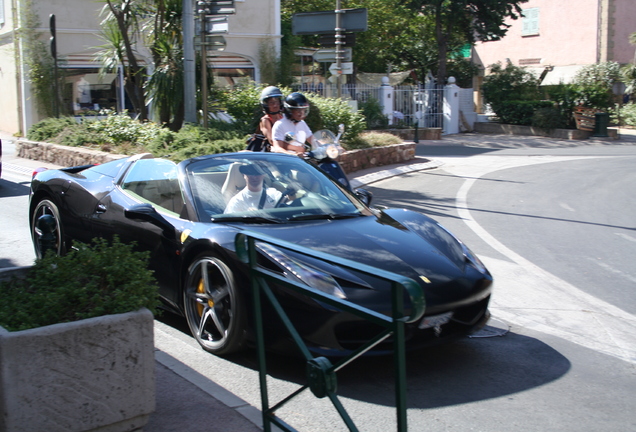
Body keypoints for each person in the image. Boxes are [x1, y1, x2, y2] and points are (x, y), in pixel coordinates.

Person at [249, 86, 284, 152]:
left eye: (277, 102)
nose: (275, 105)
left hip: (284, 149)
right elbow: (271, 140)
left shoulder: (283, 118)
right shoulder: (265, 120)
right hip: (271, 153)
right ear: (266, 104)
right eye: (271, 103)